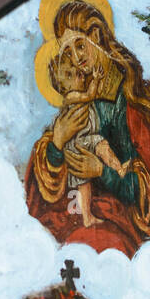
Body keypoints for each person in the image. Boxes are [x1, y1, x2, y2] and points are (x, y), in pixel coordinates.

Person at [26, 0, 150, 257]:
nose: (75, 58)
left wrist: (101, 171)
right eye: (67, 52)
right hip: (86, 214)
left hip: (126, 228)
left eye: (79, 45)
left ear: (96, 35)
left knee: (92, 245)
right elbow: (45, 187)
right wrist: (57, 144)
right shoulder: (80, 102)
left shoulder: (136, 103)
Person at [48, 50, 128, 229]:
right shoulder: (72, 96)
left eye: (74, 69)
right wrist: (96, 79)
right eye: (69, 74)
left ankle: (119, 169)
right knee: (84, 184)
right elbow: (89, 95)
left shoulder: (93, 95)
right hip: (78, 142)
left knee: (102, 147)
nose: (76, 72)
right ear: (63, 87)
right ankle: (87, 216)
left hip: (87, 137)